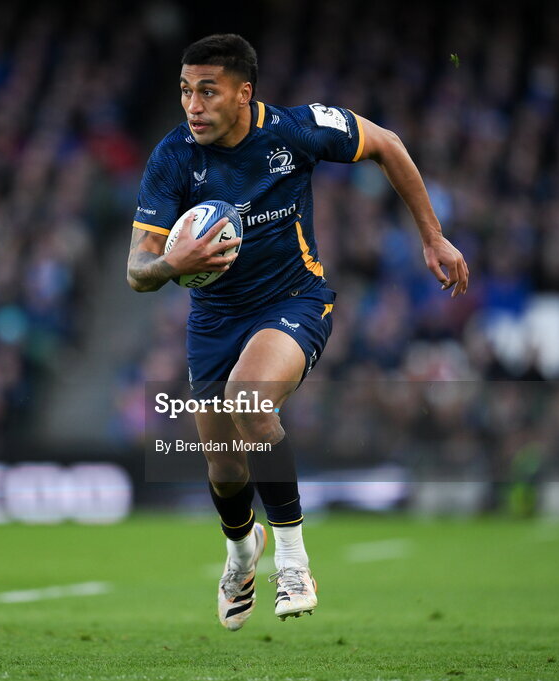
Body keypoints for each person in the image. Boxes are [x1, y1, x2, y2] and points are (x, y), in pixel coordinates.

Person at [126, 34, 469, 630]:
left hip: (294, 301)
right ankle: (241, 551)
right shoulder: (173, 158)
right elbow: (137, 270)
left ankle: (293, 560)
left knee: (249, 399)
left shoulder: (295, 129)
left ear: (243, 93)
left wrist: (432, 235)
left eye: (208, 91)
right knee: (225, 467)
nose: (193, 106)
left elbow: (386, 144)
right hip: (213, 320)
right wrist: (171, 266)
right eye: (185, 91)